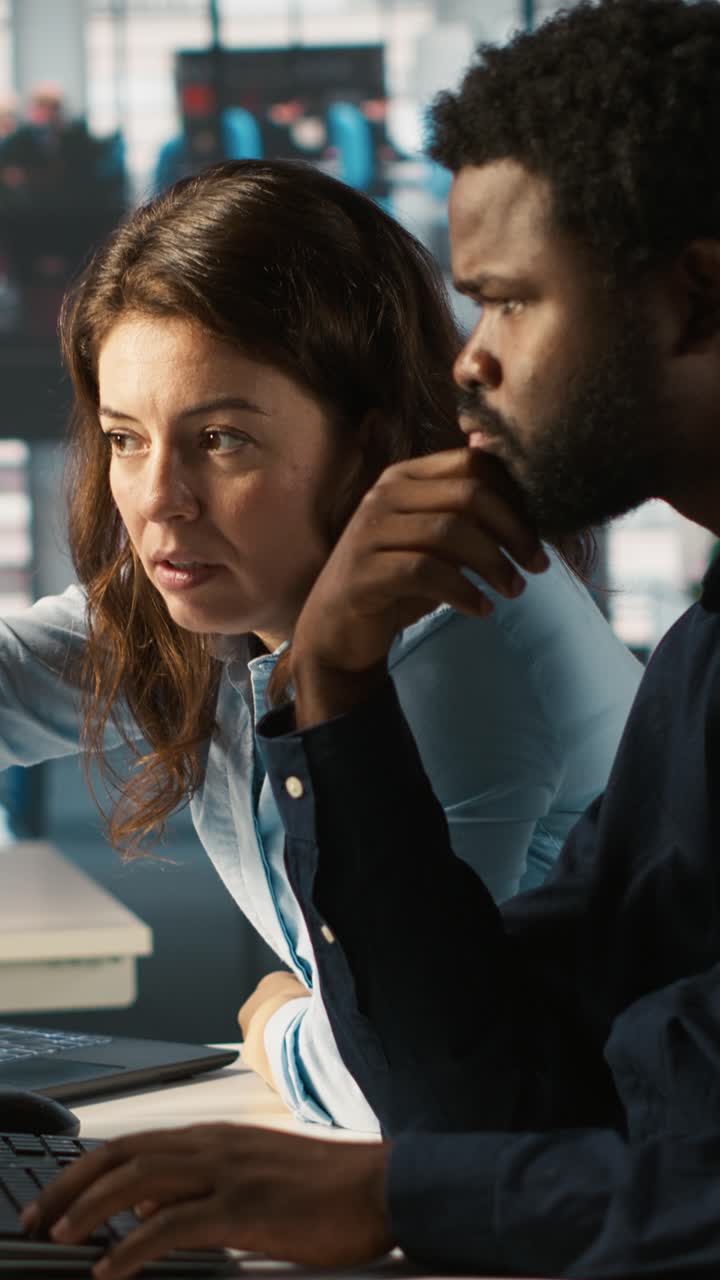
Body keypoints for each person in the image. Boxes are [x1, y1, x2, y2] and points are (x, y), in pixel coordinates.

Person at [23, 0, 720, 1277]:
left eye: (507, 303)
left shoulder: (484, 636)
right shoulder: (701, 661)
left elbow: (490, 1137)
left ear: (696, 297)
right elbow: (491, 1091)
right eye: (124, 438)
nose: (468, 367)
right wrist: (332, 679)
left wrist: (379, 1162)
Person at [0, 157, 638, 1131]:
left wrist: (280, 1023)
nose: (160, 500)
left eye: (221, 440)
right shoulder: (226, 586)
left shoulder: (463, 634)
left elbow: (417, 1077)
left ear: (367, 443)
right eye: (127, 438)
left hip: (591, 1180)